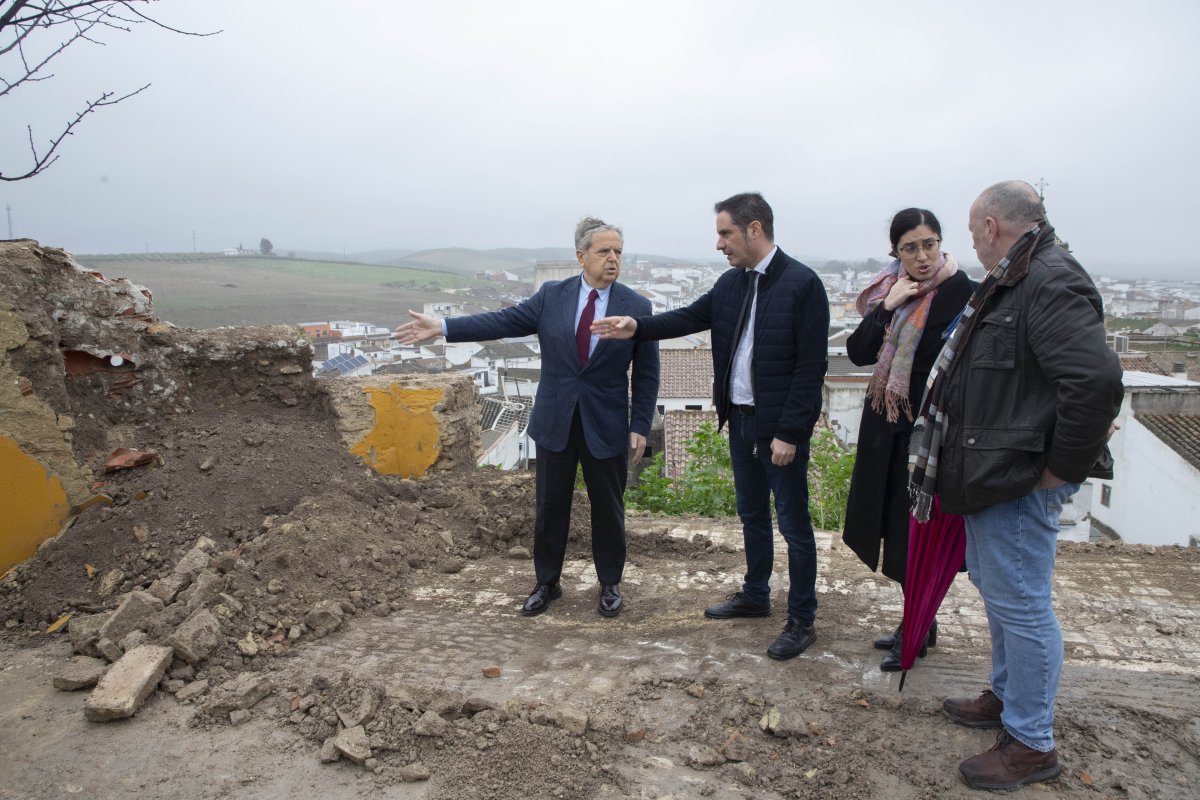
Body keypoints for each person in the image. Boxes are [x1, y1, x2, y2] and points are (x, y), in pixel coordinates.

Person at [907, 181, 1122, 790]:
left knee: (1022, 605)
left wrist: (1060, 469)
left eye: (973, 233)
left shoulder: (1049, 280)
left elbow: (1096, 383)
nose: (971, 244)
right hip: (993, 473)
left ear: (993, 227)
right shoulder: (1018, 279)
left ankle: (1031, 742)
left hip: (1018, 477)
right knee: (1004, 596)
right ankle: (1005, 697)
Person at [593, 192, 828, 660]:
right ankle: (756, 595)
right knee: (752, 515)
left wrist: (791, 433)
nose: (719, 243)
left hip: (777, 427)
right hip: (739, 421)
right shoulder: (731, 284)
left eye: (725, 233)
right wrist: (635, 327)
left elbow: (810, 367)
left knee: (794, 526)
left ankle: (802, 619)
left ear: (754, 229)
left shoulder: (803, 284)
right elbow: (687, 318)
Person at [395, 217, 659, 618]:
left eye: (618, 252)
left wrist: (639, 425)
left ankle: (609, 584)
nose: (612, 259)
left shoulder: (636, 307)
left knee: (608, 508)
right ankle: (547, 582)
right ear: (581, 256)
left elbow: (647, 372)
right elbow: (502, 322)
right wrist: (444, 327)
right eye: (604, 251)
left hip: (605, 424)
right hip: (555, 421)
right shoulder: (552, 297)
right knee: (550, 506)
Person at [841, 208, 973, 672]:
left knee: (917, 531)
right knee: (892, 525)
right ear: (896, 252)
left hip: (931, 433)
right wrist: (889, 305)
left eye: (929, 244)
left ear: (941, 243)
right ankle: (917, 621)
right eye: (910, 247)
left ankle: (916, 626)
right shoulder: (890, 289)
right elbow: (858, 353)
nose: (922, 255)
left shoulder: (965, 294)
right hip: (886, 429)